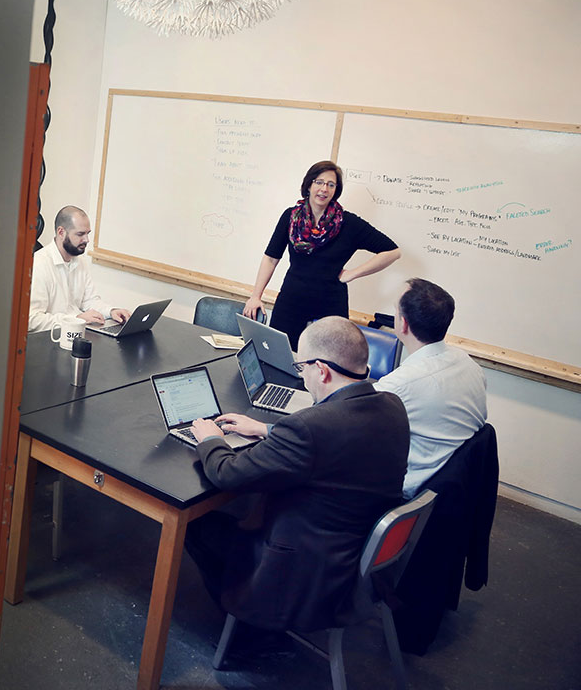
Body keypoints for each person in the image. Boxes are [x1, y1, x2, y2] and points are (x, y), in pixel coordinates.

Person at [186, 317, 409, 632]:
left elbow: (226, 473)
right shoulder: (391, 405)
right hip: (354, 556)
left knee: (198, 523)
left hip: (305, 571)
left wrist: (211, 438)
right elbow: (339, 437)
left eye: (301, 368)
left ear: (322, 370)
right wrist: (267, 429)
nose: (302, 377)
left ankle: (248, 632)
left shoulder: (310, 427)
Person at [242, 161, 402, 350]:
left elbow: (393, 251)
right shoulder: (291, 217)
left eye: (331, 185)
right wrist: (256, 296)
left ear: (336, 190)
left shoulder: (348, 223)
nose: (324, 189)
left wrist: (352, 273)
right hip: (292, 299)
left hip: (331, 305)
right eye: (319, 182)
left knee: (330, 360)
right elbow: (271, 258)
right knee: (280, 356)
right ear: (309, 185)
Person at [375, 278, 487, 499]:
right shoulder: (467, 364)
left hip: (406, 493)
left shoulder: (402, 384)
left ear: (403, 324)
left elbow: (343, 418)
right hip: (448, 487)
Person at [28, 206, 130, 333]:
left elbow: (90, 301)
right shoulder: (39, 264)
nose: (86, 240)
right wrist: (75, 319)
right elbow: (31, 319)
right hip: (51, 339)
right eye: (80, 234)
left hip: (75, 334)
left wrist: (111, 311)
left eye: (88, 233)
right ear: (61, 232)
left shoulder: (79, 260)